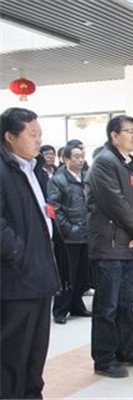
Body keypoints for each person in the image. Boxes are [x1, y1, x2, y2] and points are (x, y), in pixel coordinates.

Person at [0, 108, 61, 398]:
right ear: (9, 137)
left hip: (40, 271)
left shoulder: (34, 169)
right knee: (13, 353)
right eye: (32, 135)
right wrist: (19, 252)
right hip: (15, 277)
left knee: (36, 350)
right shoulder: (4, 169)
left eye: (40, 134)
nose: (39, 141)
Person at [87, 115, 133, 378]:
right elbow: (115, 203)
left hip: (131, 244)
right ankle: (104, 359)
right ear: (114, 135)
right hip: (110, 245)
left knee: (127, 302)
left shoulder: (132, 164)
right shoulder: (104, 162)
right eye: (129, 131)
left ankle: (126, 350)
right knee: (107, 305)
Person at [48, 143, 92, 324]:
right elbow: (54, 209)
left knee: (83, 274)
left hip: (87, 233)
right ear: (65, 159)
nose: (80, 160)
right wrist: (69, 228)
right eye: (76, 156)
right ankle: (60, 309)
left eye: (82, 156)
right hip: (68, 236)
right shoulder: (58, 180)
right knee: (67, 275)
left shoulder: (87, 178)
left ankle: (76, 305)